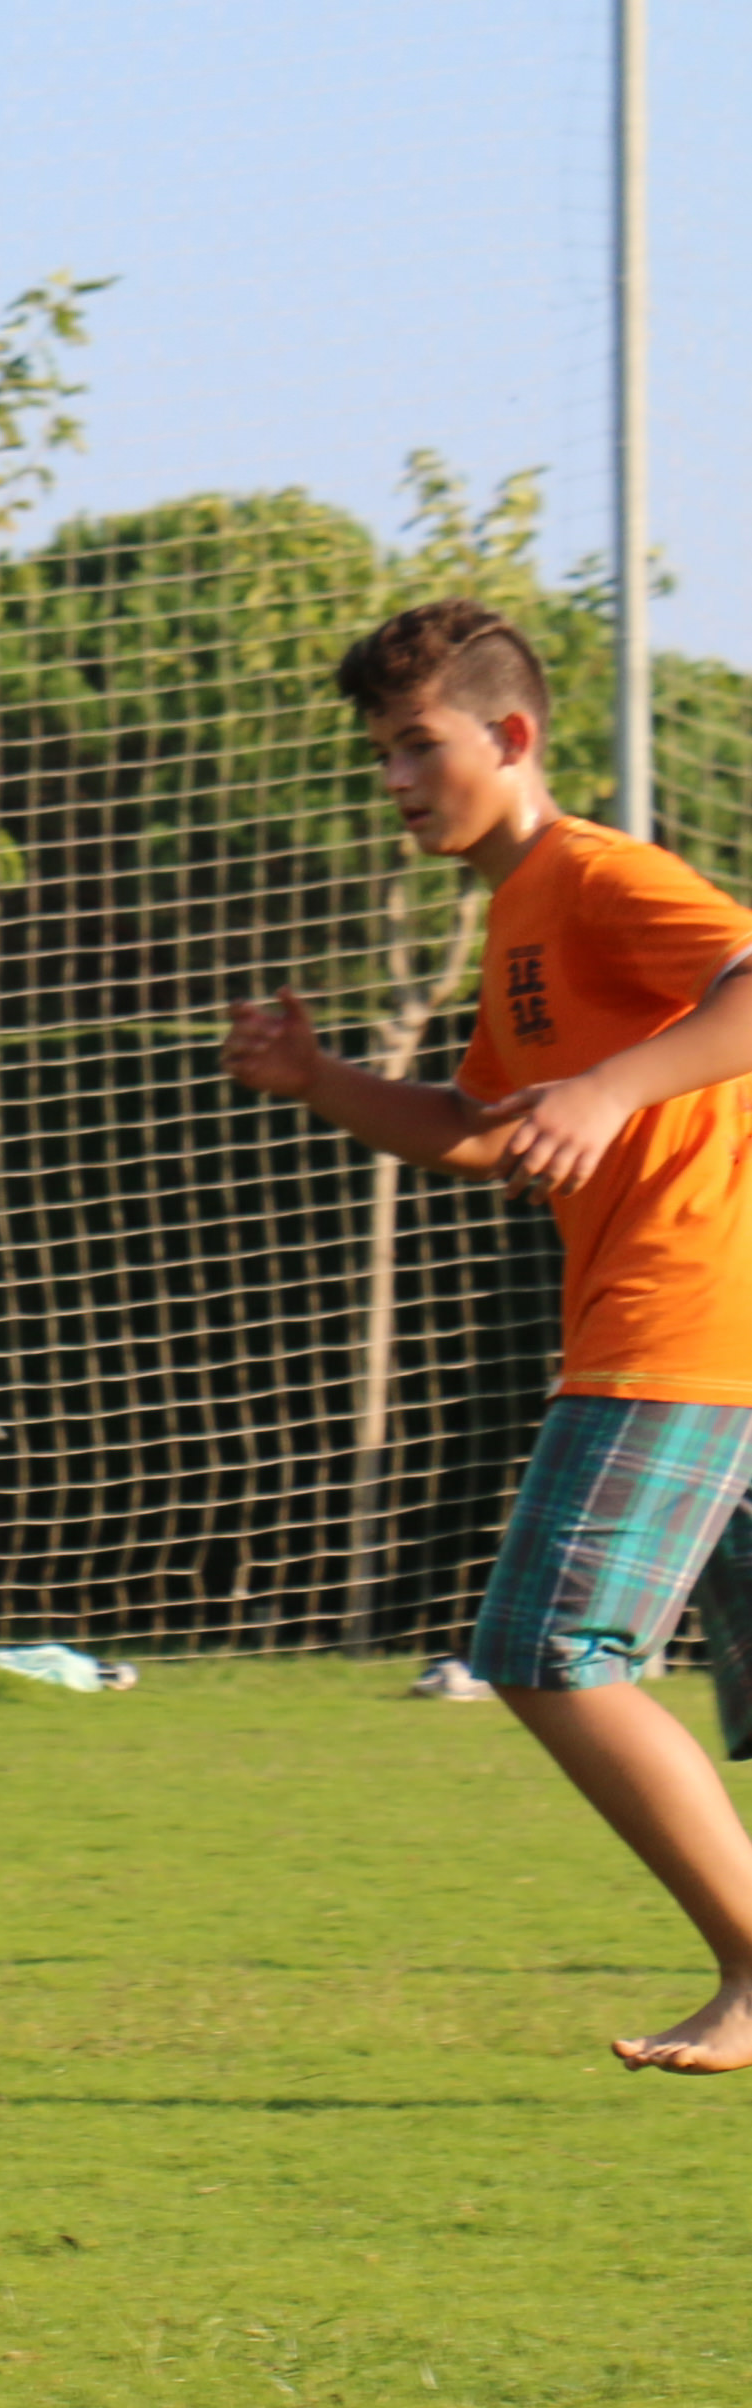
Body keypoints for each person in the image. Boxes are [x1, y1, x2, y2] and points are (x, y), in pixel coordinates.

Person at [225, 598, 752, 2076]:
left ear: (509, 735)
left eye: (416, 745)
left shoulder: (596, 876)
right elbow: (479, 1127)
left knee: (544, 1642)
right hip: (701, 1324)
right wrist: (318, 1078)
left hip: (686, 1317)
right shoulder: (516, 909)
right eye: (379, 755)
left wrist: (611, 1086)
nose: (394, 779)